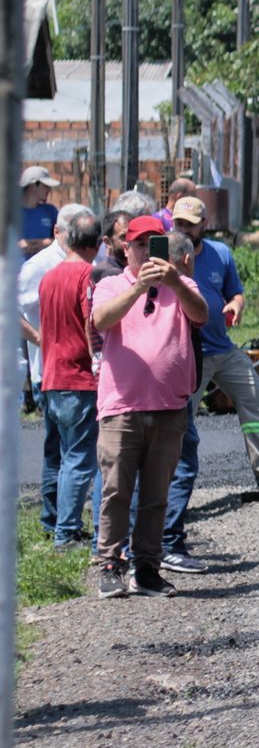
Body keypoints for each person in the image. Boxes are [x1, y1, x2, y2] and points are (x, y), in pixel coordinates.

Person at [167, 197, 259, 572]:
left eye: (190, 223)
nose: (184, 229)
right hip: (187, 353)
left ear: (205, 223)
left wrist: (237, 305)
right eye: (179, 222)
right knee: (179, 424)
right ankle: (169, 497)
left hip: (221, 348)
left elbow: (234, 291)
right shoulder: (168, 253)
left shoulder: (221, 254)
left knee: (255, 397)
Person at [91, 218, 206, 599]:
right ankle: (110, 564)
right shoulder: (111, 283)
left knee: (157, 494)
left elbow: (201, 314)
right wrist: (139, 286)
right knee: (116, 491)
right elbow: (101, 320)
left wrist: (172, 281)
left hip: (169, 407)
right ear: (126, 248)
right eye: (139, 245)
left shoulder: (181, 283)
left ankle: (147, 567)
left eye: (153, 244)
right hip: (121, 406)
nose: (145, 252)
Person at [34, 211, 104, 550]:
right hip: (79, 378)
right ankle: (66, 533)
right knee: (79, 459)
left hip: (50, 376)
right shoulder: (87, 276)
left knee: (61, 457)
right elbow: (92, 326)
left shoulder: (49, 277)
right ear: (98, 243)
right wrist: (100, 363)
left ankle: (57, 526)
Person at [20, 202, 90, 409]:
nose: (80, 239)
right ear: (57, 232)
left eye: (85, 233)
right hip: (52, 375)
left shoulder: (94, 257)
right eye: (74, 233)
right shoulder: (39, 265)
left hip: (88, 373)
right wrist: (40, 339)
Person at [20, 165, 59, 260]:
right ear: (34, 185)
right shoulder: (8, 212)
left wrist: (47, 243)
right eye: (46, 186)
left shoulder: (51, 211)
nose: (49, 190)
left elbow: (64, 240)